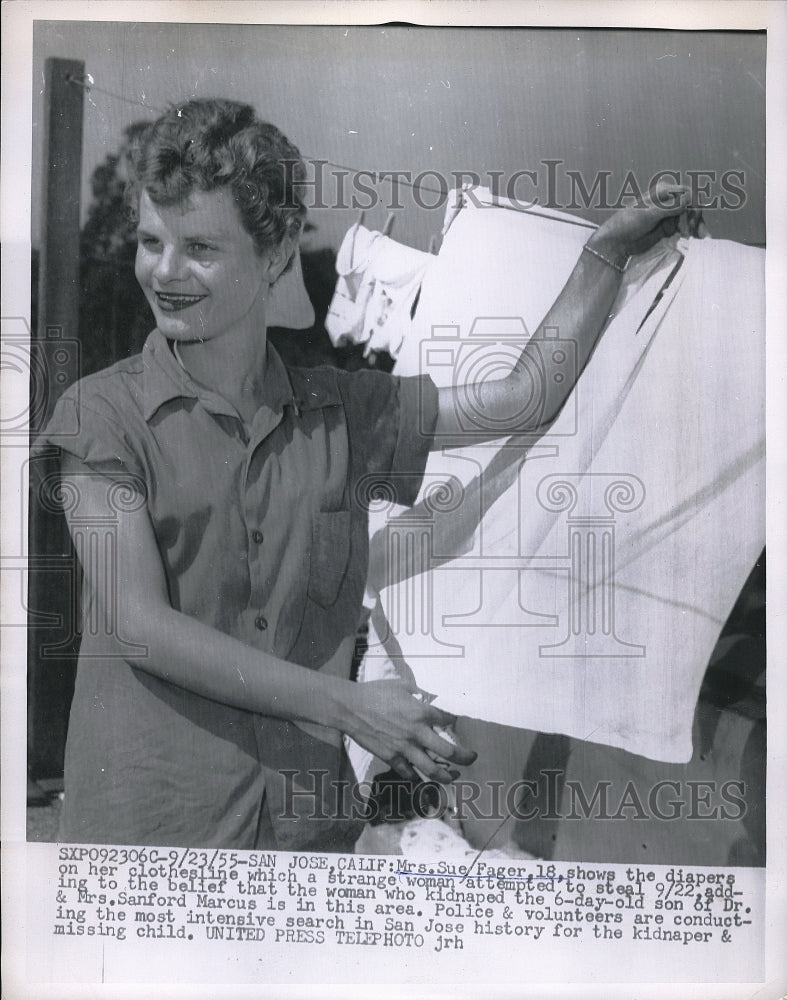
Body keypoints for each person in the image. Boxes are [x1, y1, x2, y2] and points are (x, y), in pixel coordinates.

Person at [36, 98, 699, 850]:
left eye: (200, 248)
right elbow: (139, 624)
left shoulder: (345, 411)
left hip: (305, 837)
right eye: (151, 241)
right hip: (151, 842)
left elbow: (525, 397)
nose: (164, 272)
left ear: (278, 251)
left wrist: (607, 254)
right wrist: (348, 705)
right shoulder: (96, 416)